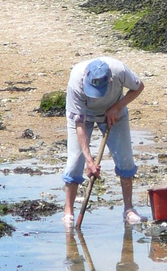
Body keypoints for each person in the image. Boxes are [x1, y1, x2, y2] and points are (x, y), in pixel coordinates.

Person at [62, 55, 145, 226]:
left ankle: (129, 209)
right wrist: (89, 161)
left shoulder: (119, 71)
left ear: (110, 80)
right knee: (74, 162)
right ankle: (68, 212)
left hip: (115, 112)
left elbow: (139, 87)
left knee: (125, 160)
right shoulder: (76, 81)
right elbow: (79, 125)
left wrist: (117, 107)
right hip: (82, 117)